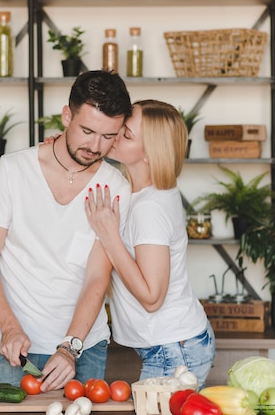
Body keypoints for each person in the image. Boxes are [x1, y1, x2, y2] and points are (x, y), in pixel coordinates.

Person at [0, 70, 132, 392]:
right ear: (67, 115)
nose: (95, 146)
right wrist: (10, 328)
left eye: (108, 136)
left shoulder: (115, 187)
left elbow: (97, 278)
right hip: (16, 346)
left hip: (84, 346)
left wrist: (70, 346)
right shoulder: (13, 171)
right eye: (87, 130)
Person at [84, 99, 215, 388]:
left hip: (174, 349)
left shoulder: (149, 209)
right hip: (172, 343)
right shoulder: (141, 192)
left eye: (126, 134)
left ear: (149, 154)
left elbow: (152, 297)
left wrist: (109, 236)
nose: (114, 136)